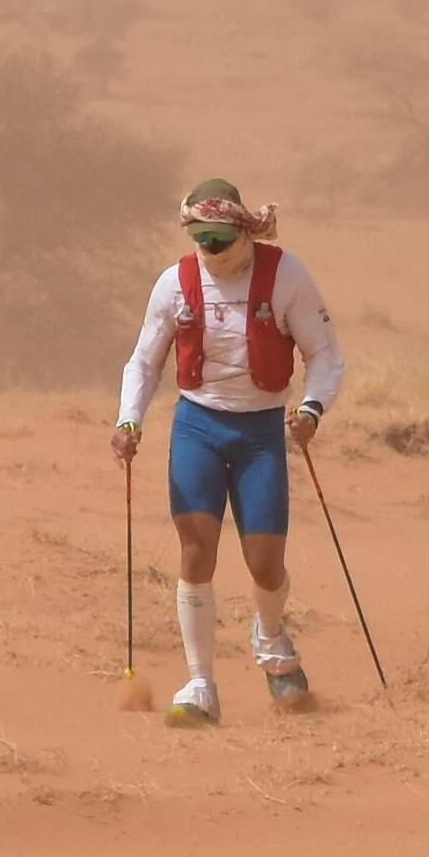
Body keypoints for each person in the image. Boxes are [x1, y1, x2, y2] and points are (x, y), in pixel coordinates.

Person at [112, 178, 342, 726]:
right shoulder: (174, 284)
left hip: (260, 432)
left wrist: (311, 409)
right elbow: (144, 362)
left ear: (245, 233)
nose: (210, 252)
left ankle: (270, 640)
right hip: (197, 426)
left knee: (264, 562)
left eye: (220, 240)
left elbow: (325, 354)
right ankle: (200, 684)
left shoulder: (286, 277)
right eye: (201, 241)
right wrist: (129, 418)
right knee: (197, 551)